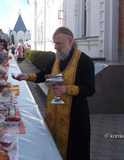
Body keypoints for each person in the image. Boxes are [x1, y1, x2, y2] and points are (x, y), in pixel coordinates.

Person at [16, 27, 95, 160]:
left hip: (74, 118)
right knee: (52, 147)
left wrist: (67, 89)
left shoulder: (85, 61)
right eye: (54, 43)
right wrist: (27, 76)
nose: (55, 46)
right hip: (53, 113)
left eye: (59, 43)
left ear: (70, 40)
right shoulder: (56, 58)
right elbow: (45, 75)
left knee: (74, 152)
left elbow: (90, 89)